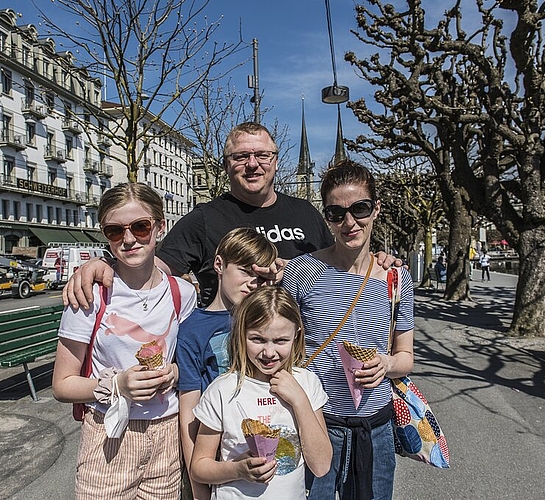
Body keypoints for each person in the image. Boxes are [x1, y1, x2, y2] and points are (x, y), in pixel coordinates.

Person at [64, 122, 335, 309]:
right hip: (229, 354)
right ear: (226, 165)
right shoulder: (205, 218)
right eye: (241, 157)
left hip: (300, 349)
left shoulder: (305, 212)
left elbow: (340, 271)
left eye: (262, 155)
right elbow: (152, 268)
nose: (252, 164)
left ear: (275, 161)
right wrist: (105, 265)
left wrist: (374, 260)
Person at [52, 182, 198, 499]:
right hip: (109, 436)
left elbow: (190, 363)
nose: (129, 239)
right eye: (115, 231)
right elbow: (62, 384)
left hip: (168, 436)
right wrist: (118, 386)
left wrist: (174, 374)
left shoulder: (182, 294)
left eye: (140, 227)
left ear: (160, 226)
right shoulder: (89, 296)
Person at [282, 160, 415, 500]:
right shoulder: (300, 274)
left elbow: (405, 357)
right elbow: (282, 348)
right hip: (317, 424)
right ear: (326, 217)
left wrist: (385, 365)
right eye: (337, 213)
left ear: (376, 209)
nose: (350, 222)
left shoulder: (396, 278)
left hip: (375, 429)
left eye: (360, 208)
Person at [190, 286, 332, 499]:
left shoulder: (306, 382)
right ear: (241, 334)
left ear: (296, 335)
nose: (269, 352)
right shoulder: (222, 390)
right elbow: (199, 467)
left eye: (280, 341)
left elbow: (321, 465)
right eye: (257, 339)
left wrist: (299, 400)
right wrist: (237, 470)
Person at [178, 227, 278, 499]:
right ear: (219, 264)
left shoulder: (267, 321)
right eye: (245, 271)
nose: (251, 283)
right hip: (218, 460)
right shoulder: (193, 330)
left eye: (259, 277)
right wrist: (198, 487)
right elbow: (188, 413)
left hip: (270, 450)